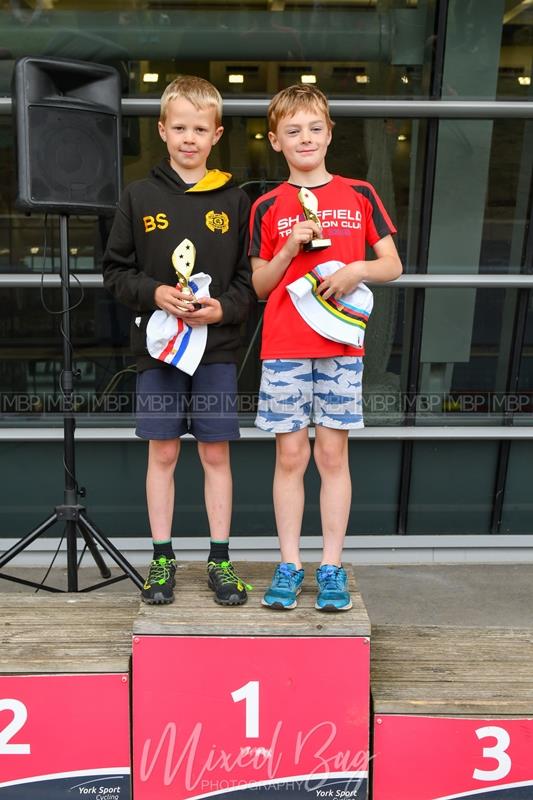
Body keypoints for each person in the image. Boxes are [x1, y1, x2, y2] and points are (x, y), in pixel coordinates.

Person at [249, 84, 402, 612]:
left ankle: (331, 565)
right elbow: (260, 285)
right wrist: (290, 244)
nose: (305, 138)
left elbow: (393, 265)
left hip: (340, 346)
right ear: (275, 141)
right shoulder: (267, 205)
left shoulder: (358, 193)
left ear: (330, 133)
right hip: (285, 345)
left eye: (315, 128)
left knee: (333, 454)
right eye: (292, 131)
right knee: (290, 455)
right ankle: (290, 564)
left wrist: (357, 268)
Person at [103, 75, 253, 606]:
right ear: (163, 130)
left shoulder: (235, 199)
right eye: (180, 127)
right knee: (162, 453)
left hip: (214, 351)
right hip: (159, 353)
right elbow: (115, 271)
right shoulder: (139, 196)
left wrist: (223, 309)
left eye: (201, 128)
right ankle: (162, 557)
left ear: (217, 134)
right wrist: (156, 293)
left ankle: (220, 560)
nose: (190, 137)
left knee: (215, 454)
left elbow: (247, 283)